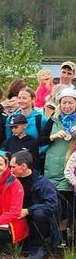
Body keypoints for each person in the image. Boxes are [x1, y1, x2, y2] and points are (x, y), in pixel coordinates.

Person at [38, 87, 76, 243]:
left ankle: (71, 238)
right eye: (64, 102)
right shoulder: (53, 119)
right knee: (58, 206)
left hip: (72, 170)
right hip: (54, 168)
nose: (67, 106)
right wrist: (53, 136)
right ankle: (60, 240)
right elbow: (40, 141)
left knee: (71, 206)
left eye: (71, 103)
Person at [10, 150, 60, 259]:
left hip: (37, 221)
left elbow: (53, 205)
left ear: (23, 166)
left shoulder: (43, 183)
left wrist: (29, 210)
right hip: (18, 219)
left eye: (13, 167)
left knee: (39, 213)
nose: (11, 170)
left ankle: (39, 247)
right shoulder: (11, 181)